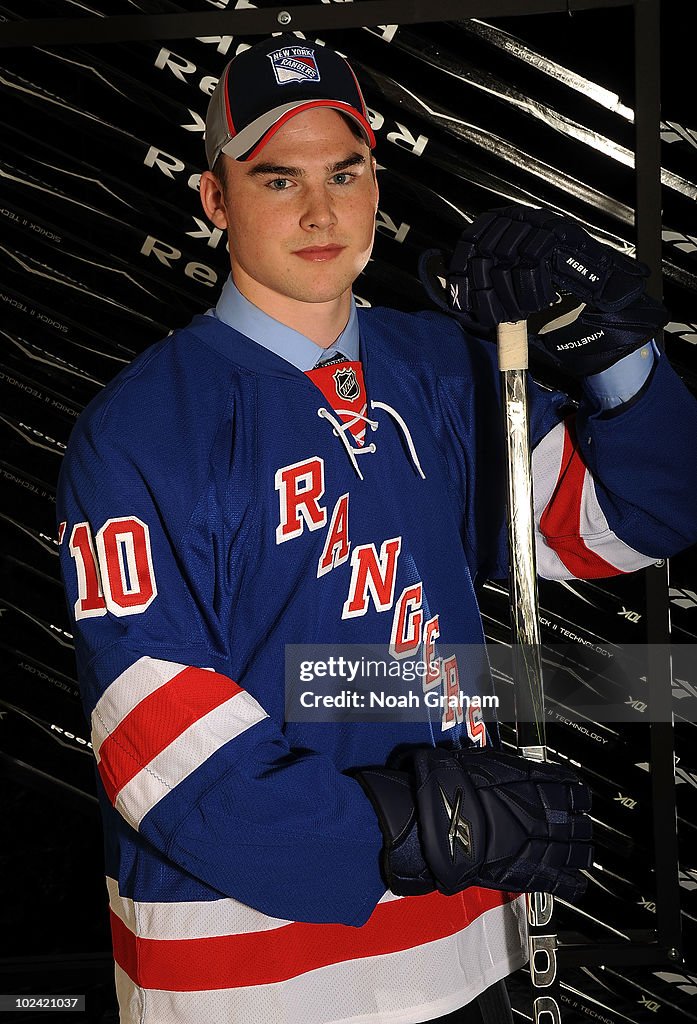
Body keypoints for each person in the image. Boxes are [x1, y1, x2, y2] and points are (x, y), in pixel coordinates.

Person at [56, 35, 697, 1024]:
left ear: (374, 182)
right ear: (213, 199)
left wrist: (607, 355)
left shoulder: (442, 367)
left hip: (466, 942)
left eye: (344, 172)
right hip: (250, 980)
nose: (320, 212)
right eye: (277, 179)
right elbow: (161, 751)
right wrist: (404, 824)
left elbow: (628, 523)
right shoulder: (137, 432)